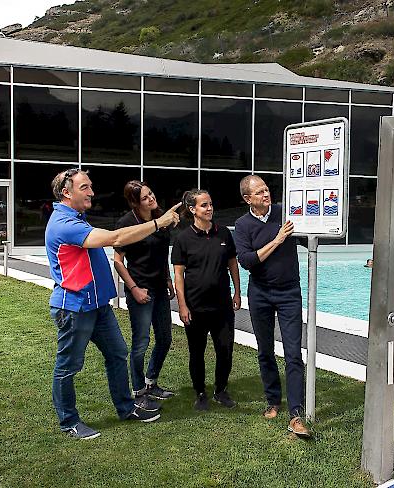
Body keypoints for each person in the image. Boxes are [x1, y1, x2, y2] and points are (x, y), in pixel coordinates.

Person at [45, 168, 180, 439]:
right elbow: (116, 239)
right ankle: (69, 422)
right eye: (85, 187)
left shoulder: (77, 218)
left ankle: (126, 407)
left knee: (118, 354)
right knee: (68, 366)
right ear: (66, 193)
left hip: (98, 306)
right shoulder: (64, 223)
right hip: (75, 307)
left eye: (91, 186)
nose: (92, 192)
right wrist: (158, 223)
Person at [233, 175, 310, 438]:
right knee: (265, 350)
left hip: (289, 292)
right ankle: (273, 400)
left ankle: (296, 413)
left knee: (293, 354)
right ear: (247, 199)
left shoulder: (284, 213)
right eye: (260, 192)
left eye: (266, 189)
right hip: (261, 294)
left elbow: (309, 233)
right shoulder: (243, 225)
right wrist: (277, 240)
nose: (266, 194)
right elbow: (247, 261)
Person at [172, 189, 241, 411]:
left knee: (225, 349)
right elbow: (179, 275)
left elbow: (232, 264)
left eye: (210, 204)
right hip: (195, 307)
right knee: (197, 352)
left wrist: (237, 292)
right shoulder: (183, 238)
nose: (209, 208)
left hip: (222, 306)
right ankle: (200, 392)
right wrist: (182, 305)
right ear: (193, 209)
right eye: (204, 205)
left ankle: (221, 390)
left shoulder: (224, 234)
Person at [114, 181, 176, 411]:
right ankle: (138, 391)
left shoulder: (160, 218)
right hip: (141, 289)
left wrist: (168, 280)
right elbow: (118, 261)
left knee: (165, 339)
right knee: (141, 343)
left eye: (151, 193)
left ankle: (151, 381)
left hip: (160, 287)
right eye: (145, 198)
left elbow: (162, 255)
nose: (151, 199)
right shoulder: (127, 223)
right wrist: (133, 288)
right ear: (134, 203)